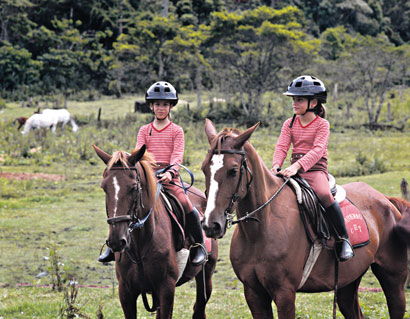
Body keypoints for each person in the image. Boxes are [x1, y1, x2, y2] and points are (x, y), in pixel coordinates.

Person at [98, 81, 207, 266]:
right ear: (151, 106)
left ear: (171, 106)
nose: (161, 108)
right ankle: (112, 243)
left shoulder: (176, 131)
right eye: (157, 104)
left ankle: (198, 246)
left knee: (186, 204)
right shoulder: (144, 130)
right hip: (146, 177)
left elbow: (177, 157)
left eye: (165, 104)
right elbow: (138, 155)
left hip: (168, 178)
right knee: (124, 203)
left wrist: (170, 173)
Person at [271, 75, 354, 262]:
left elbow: (318, 150)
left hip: (315, 170)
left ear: (313, 102)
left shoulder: (322, 125)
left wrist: (297, 166)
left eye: (299, 99)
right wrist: (276, 165)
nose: (294, 103)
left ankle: (343, 239)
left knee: (324, 194)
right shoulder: (289, 123)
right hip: (293, 169)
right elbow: (282, 146)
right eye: (293, 99)